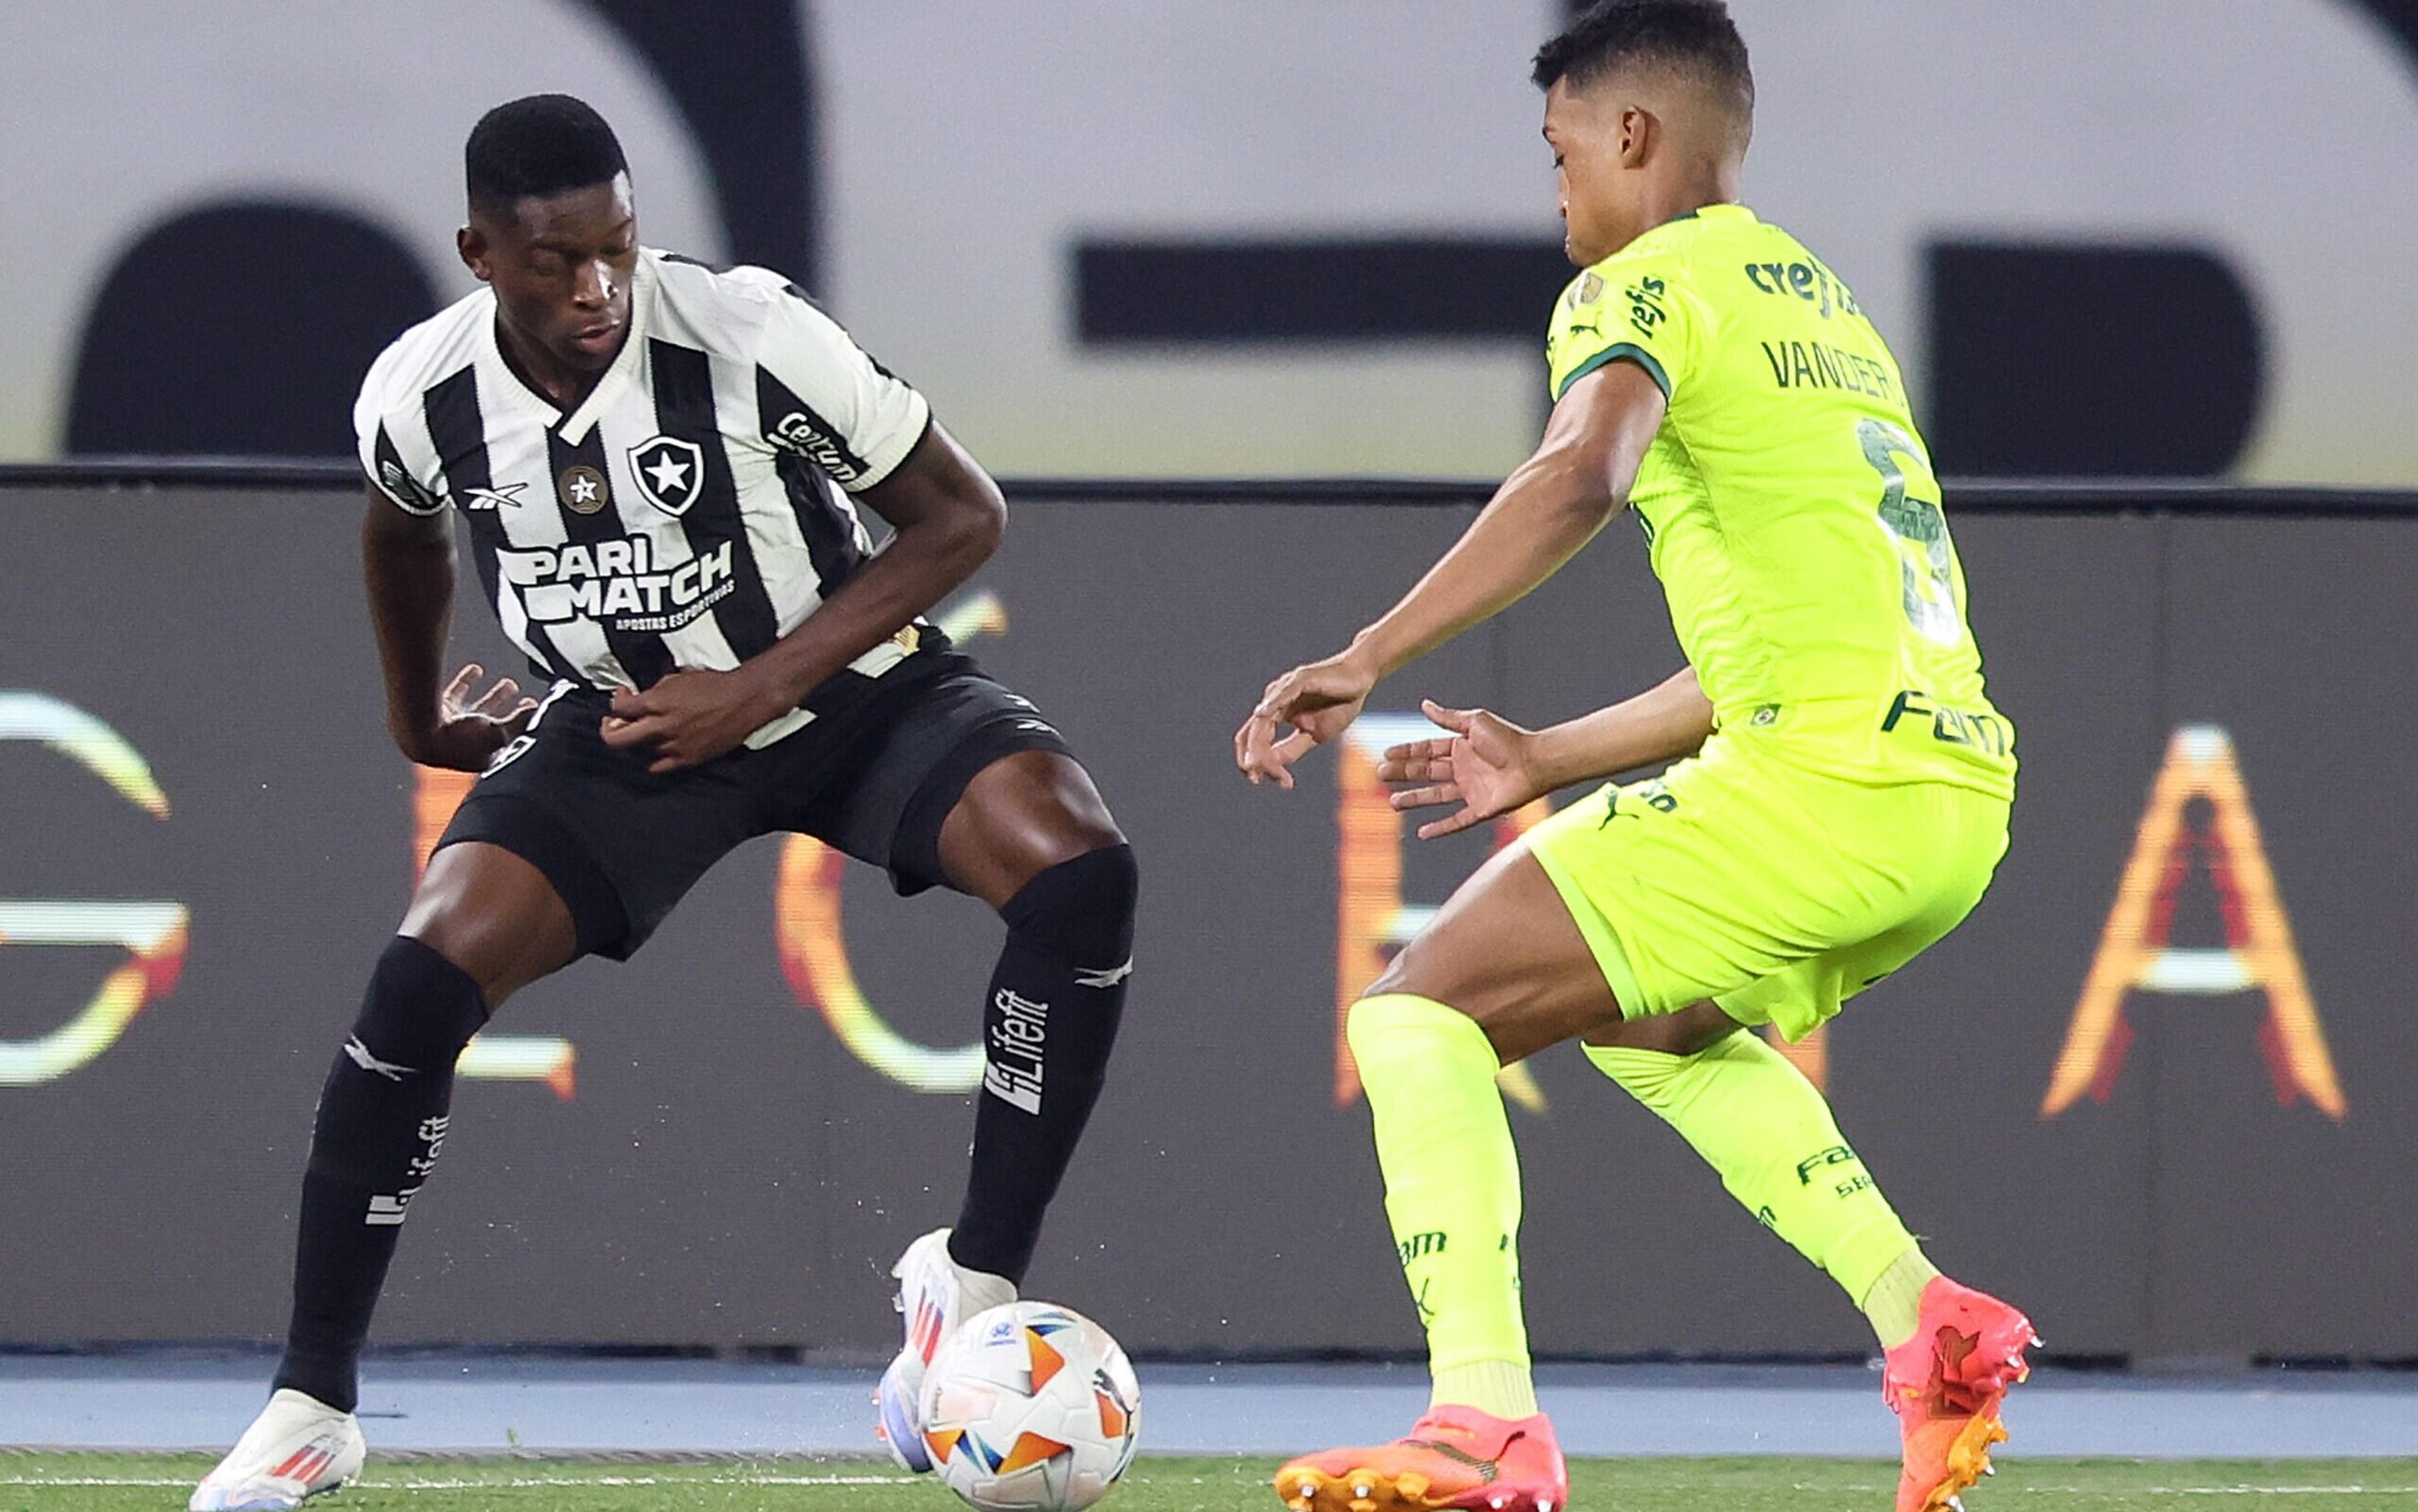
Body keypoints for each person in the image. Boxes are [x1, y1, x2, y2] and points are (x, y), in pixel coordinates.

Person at [191, 94, 1137, 1511]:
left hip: (845, 686)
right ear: (479, 254)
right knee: (416, 984)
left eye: (619, 249)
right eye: (557, 260)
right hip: (622, 727)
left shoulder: (751, 334)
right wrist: (414, 718)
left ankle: (972, 1276)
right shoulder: (421, 392)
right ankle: (311, 1407)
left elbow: (962, 514)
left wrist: (756, 689)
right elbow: (399, 529)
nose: (598, 289)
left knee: (1079, 868)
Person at [1237, 5, 2033, 1510]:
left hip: (1826, 787)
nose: (1555, 194)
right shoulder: (1824, 306)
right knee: (1645, 1025)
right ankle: (1924, 1324)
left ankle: (1484, 1424)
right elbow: (1771, 654)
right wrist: (1547, 752)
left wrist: (1372, 653)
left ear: (1632, 137)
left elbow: (1578, 471)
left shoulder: (1646, 279)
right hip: (1947, 803)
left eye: (1556, 154)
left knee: (1416, 1020)